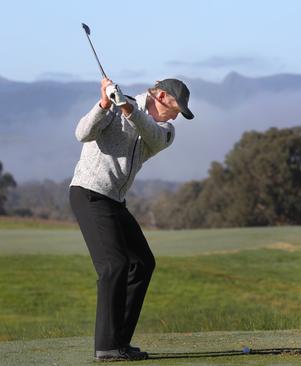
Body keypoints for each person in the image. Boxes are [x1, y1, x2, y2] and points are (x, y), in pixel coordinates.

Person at [69, 78, 193, 361]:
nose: (176, 116)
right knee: (114, 265)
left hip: (114, 200)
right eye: (175, 108)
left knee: (142, 262)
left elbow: (148, 131)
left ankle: (119, 342)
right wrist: (104, 104)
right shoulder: (112, 107)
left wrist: (126, 106)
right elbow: (82, 134)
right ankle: (107, 347)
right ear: (160, 95)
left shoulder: (165, 131)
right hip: (89, 193)